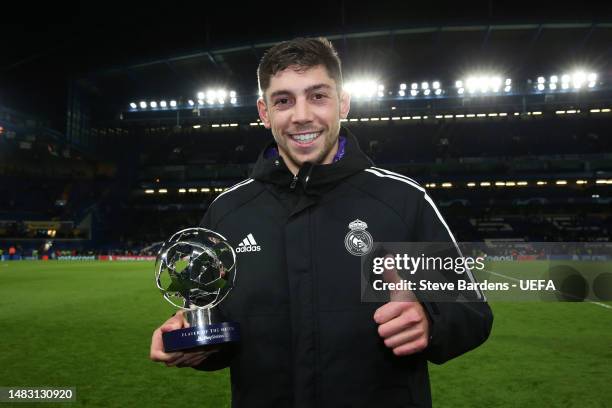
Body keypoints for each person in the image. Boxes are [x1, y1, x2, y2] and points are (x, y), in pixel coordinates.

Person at [150, 37, 493, 407]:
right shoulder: (228, 212)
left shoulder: (402, 201)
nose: (301, 115)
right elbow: (214, 322)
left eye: (318, 96)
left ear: (343, 103)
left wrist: (430, 321)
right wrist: (190, 337)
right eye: (283, 100)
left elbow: (471, 311)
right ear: (264, 112)